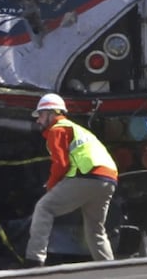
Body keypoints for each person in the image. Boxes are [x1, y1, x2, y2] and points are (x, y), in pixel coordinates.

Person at [24, 93, 118, 267]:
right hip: (108, 179)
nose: (38, 120)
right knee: (95, 228)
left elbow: (60, 164)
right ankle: (110, 270)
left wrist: (51, 186)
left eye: (41, 115)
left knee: (44, 208)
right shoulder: (76, 129)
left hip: (88, 176)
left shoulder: (57, 129)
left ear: (52, 113)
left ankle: (34, 261)